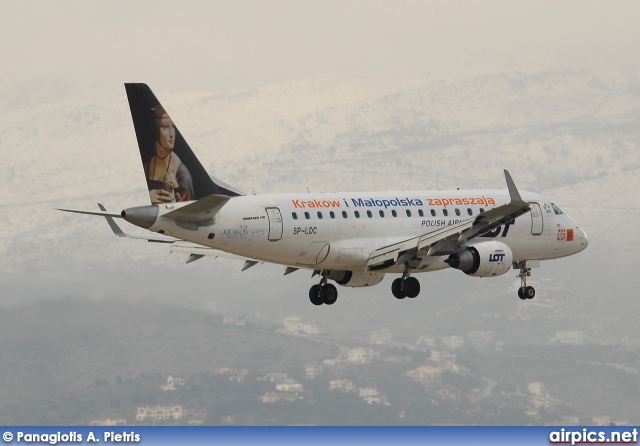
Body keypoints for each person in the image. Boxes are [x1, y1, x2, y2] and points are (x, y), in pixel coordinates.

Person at [143, 105, 194, 203]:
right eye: (165, 127)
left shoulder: (182, 174)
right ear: (156, 130)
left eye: (173, 127)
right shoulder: (147, 167)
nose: (171, 134)